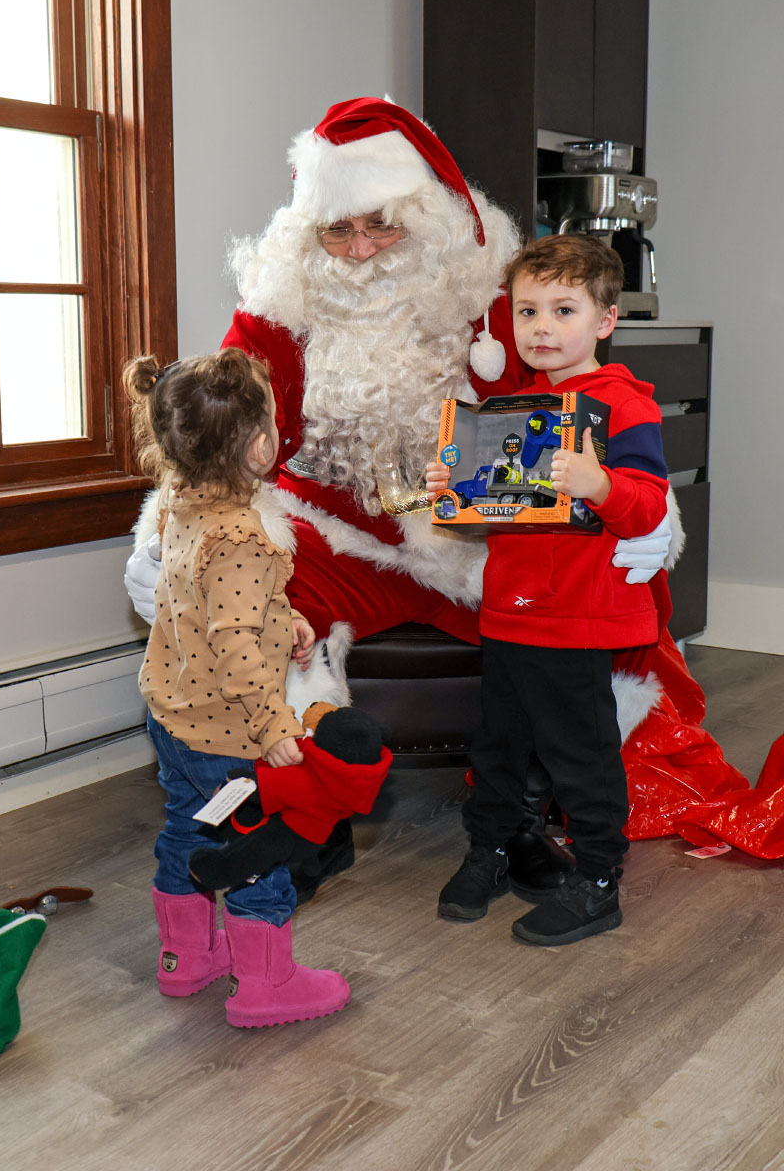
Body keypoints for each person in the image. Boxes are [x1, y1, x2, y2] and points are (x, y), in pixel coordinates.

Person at [124, 97, 741, 901]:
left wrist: (652, 516)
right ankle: (308, 816)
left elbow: (593, 416)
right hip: (336, 531)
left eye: (381, 225)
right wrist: (172, 536)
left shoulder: (500, 300)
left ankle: (525, 816)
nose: (359, 251)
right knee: (246, 598)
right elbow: (212, 437)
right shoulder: (282, 308)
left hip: (483, 539)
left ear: (427, 216)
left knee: (594, 618)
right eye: (337, 231)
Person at [431, 235, 669, 944]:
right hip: (509, 612)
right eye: (527, 310)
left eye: (564, 310)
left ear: (605, 319)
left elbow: (647, 507)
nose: (541, 327)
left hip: (578, 617)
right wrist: (455, 493)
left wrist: (600, 484)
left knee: (580, 756)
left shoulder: (626, 406)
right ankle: (491, 849)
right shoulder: (506, 409)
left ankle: (597, 880)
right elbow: (491, 517)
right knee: (497, 748)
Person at [122, 346, 350, 1028]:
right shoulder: (243, 537)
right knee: (258, 851)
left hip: (171, 716)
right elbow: (236, 648)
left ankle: (185, 958)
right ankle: (266, 985)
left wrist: (286, 620)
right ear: (258, 446)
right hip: (229, 733)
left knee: (186, 828)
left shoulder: (179, 503)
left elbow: (205, 606)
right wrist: (276, 728)